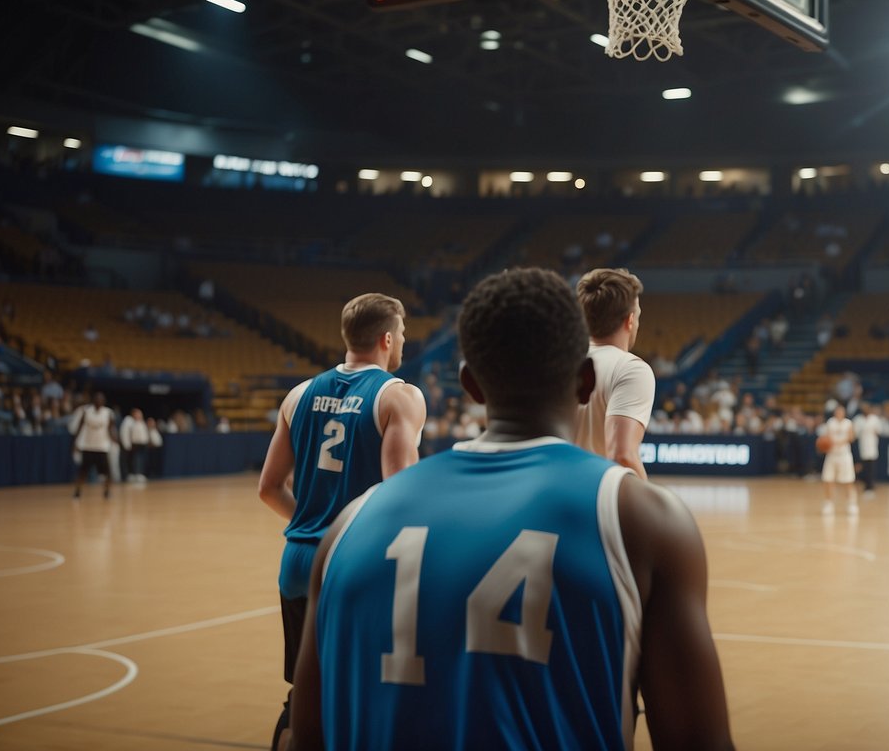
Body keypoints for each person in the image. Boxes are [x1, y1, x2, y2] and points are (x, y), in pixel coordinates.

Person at [284, 268, 732, 750]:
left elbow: (306, 736)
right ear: (585, 381)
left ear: (470, 386)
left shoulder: (349, 527)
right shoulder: (645, 522)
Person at [258, 292, 427, 751]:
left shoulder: (298, 394)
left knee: (302, 696)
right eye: (404, 336)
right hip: (356, 563)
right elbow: (401, 493)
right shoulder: (400, 396)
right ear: (387, 338)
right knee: (360, 692)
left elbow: (268, 488)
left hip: (296, 560)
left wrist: (315, 523)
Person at [574, 267, 653, 480]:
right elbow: (622, 455)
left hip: (551, 499)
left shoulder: (557, 363)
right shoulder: (631, 369)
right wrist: (651, 508)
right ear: (629, 320)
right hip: (595, 499)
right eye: (637, 315)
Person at [70, 392, 116, 499]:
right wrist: (75, 443)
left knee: (107, 472)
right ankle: (77, 491)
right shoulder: (86, 412)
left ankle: (107, 492)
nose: (99, 401)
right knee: (83, 472)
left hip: (102, 447)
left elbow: (111, 429)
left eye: (101, 399)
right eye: (97, 399)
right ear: (93, 400)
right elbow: (79, 428)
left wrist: (115, 440)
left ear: (104, 401)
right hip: (88, 446)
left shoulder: (108, 413)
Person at [820, 403, 857, 516]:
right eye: (837, 411)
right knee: (828, 480)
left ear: (844, 413)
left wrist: (840, 442)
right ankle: (828, 503)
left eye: (841, 411)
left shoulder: (848, 423)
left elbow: (851, 437)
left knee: (848, 481)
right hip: (832, 455)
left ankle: (851, 504)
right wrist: (825, 444)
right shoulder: (830, 422)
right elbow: (826, 437)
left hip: (844, 455)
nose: (839, 413)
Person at [855, 403, 884, 498]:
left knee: (871, 468)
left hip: (872, 447)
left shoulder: (874, 419)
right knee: (864, 468)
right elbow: (855, 433)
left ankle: (870, 487)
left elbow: (879, 431)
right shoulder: (858, 419)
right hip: (862, 447)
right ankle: (866, 485)